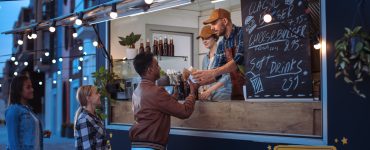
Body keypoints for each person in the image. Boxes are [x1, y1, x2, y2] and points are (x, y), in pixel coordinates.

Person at [129, 52, 199, 150]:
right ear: (149, 70)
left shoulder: (137, 90)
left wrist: (173, 98)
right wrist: (192, 93)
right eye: (156, 65)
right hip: (151, 146)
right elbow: (185, 112)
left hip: (137, 146)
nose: (159, 68)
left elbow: (153, 110)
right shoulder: (156, 91)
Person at [193, 8, 246, 100]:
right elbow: (217, 75)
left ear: (224, 21)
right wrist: (198, 83)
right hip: (235, 92)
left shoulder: (242, 33)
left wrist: (212, 72)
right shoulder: (222, 44)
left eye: (214, 24)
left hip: (250, 89)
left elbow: (238, 61)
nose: (212, 28)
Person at [5, 75, 46, 150]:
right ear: (19, 90)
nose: (32, 89)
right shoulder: (13, 110)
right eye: (28, 87)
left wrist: (40, 132)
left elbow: (26, 133)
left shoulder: (29, 109)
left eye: (31, 86)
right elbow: (13, 143)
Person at [198, 25, 232, 100]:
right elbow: (205, 78)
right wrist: (203, 88)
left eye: (207, 38)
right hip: (209, 96)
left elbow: (227, 77)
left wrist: (209, 91)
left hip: (222, 94)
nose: (204, 41)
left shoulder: (223, 53)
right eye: (203, 38)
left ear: (215, 37)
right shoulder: (205, 58)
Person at [74, 85, 109, 150]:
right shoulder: (84, 119)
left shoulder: (95, 116)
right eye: (96, 93)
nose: (99, 95)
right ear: (88, 98)